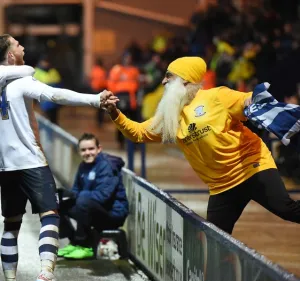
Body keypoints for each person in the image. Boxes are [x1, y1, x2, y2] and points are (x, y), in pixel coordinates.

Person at [101, 56, 300, 236]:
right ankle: (219, 277)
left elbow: (244, 100)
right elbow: (138, 133)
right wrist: (114, 113)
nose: (163, 81)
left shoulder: (216, 96)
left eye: (168, 76)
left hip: (253, 167)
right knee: (215, 240)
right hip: (221, 186)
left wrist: (254, 100)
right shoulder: (171, 115)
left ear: (185, 80)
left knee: (288, 210)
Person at [0, 34, 116, 281]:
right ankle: (46, 273)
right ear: (9, 56)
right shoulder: (21, 82)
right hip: (30, 161)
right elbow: (56, 94)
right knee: (50, 213)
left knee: (11, 224)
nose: (23, 47)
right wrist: (95, 99)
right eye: (18, 45)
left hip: (4, 166)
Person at [57, 133, 128, 260]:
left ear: (99, 149)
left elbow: (103, 196)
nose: (87, 153)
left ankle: (85, 246)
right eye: (83, 150)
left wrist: (78, 196)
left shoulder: (107, 166)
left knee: (83, 201)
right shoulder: (83, 166)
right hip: (92, 208)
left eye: (91, 149)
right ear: (79, 151)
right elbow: (76, 190)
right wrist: (66, 195)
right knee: (56, 204)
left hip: (113, 214)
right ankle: (74, 242)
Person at [34, 55, 62, 124]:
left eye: (47, 62)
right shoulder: (36, 71)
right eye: (44, 62)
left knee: (54, 118)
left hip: (53, 99)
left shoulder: (53, 71)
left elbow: (59, 83)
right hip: (42, 98)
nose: (46, 64)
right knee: (45, 118)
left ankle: (53, 132)